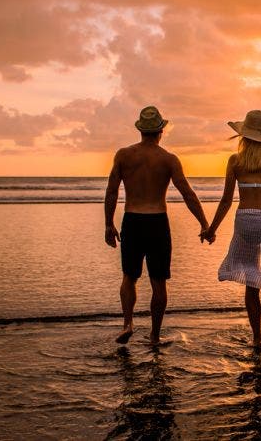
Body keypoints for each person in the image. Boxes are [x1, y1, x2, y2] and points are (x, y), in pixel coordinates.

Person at [104, 105, 209, 345]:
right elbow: (187, 193)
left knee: (129, 277)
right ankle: (154, 336)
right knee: (158, 282)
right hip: (157, 223)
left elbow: (111, 191)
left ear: (140, 130)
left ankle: (128, 324)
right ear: (161, 130)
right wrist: (204, 223)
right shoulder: (168, 159)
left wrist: (108, 224)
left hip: (132, 220)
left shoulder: (123, 155)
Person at [202, 109, 261, 346]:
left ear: (243, 136)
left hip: (244, 219)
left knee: (251, 277)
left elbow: (226, 200)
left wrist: (211, 228)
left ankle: (256, 337)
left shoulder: (235, 161)